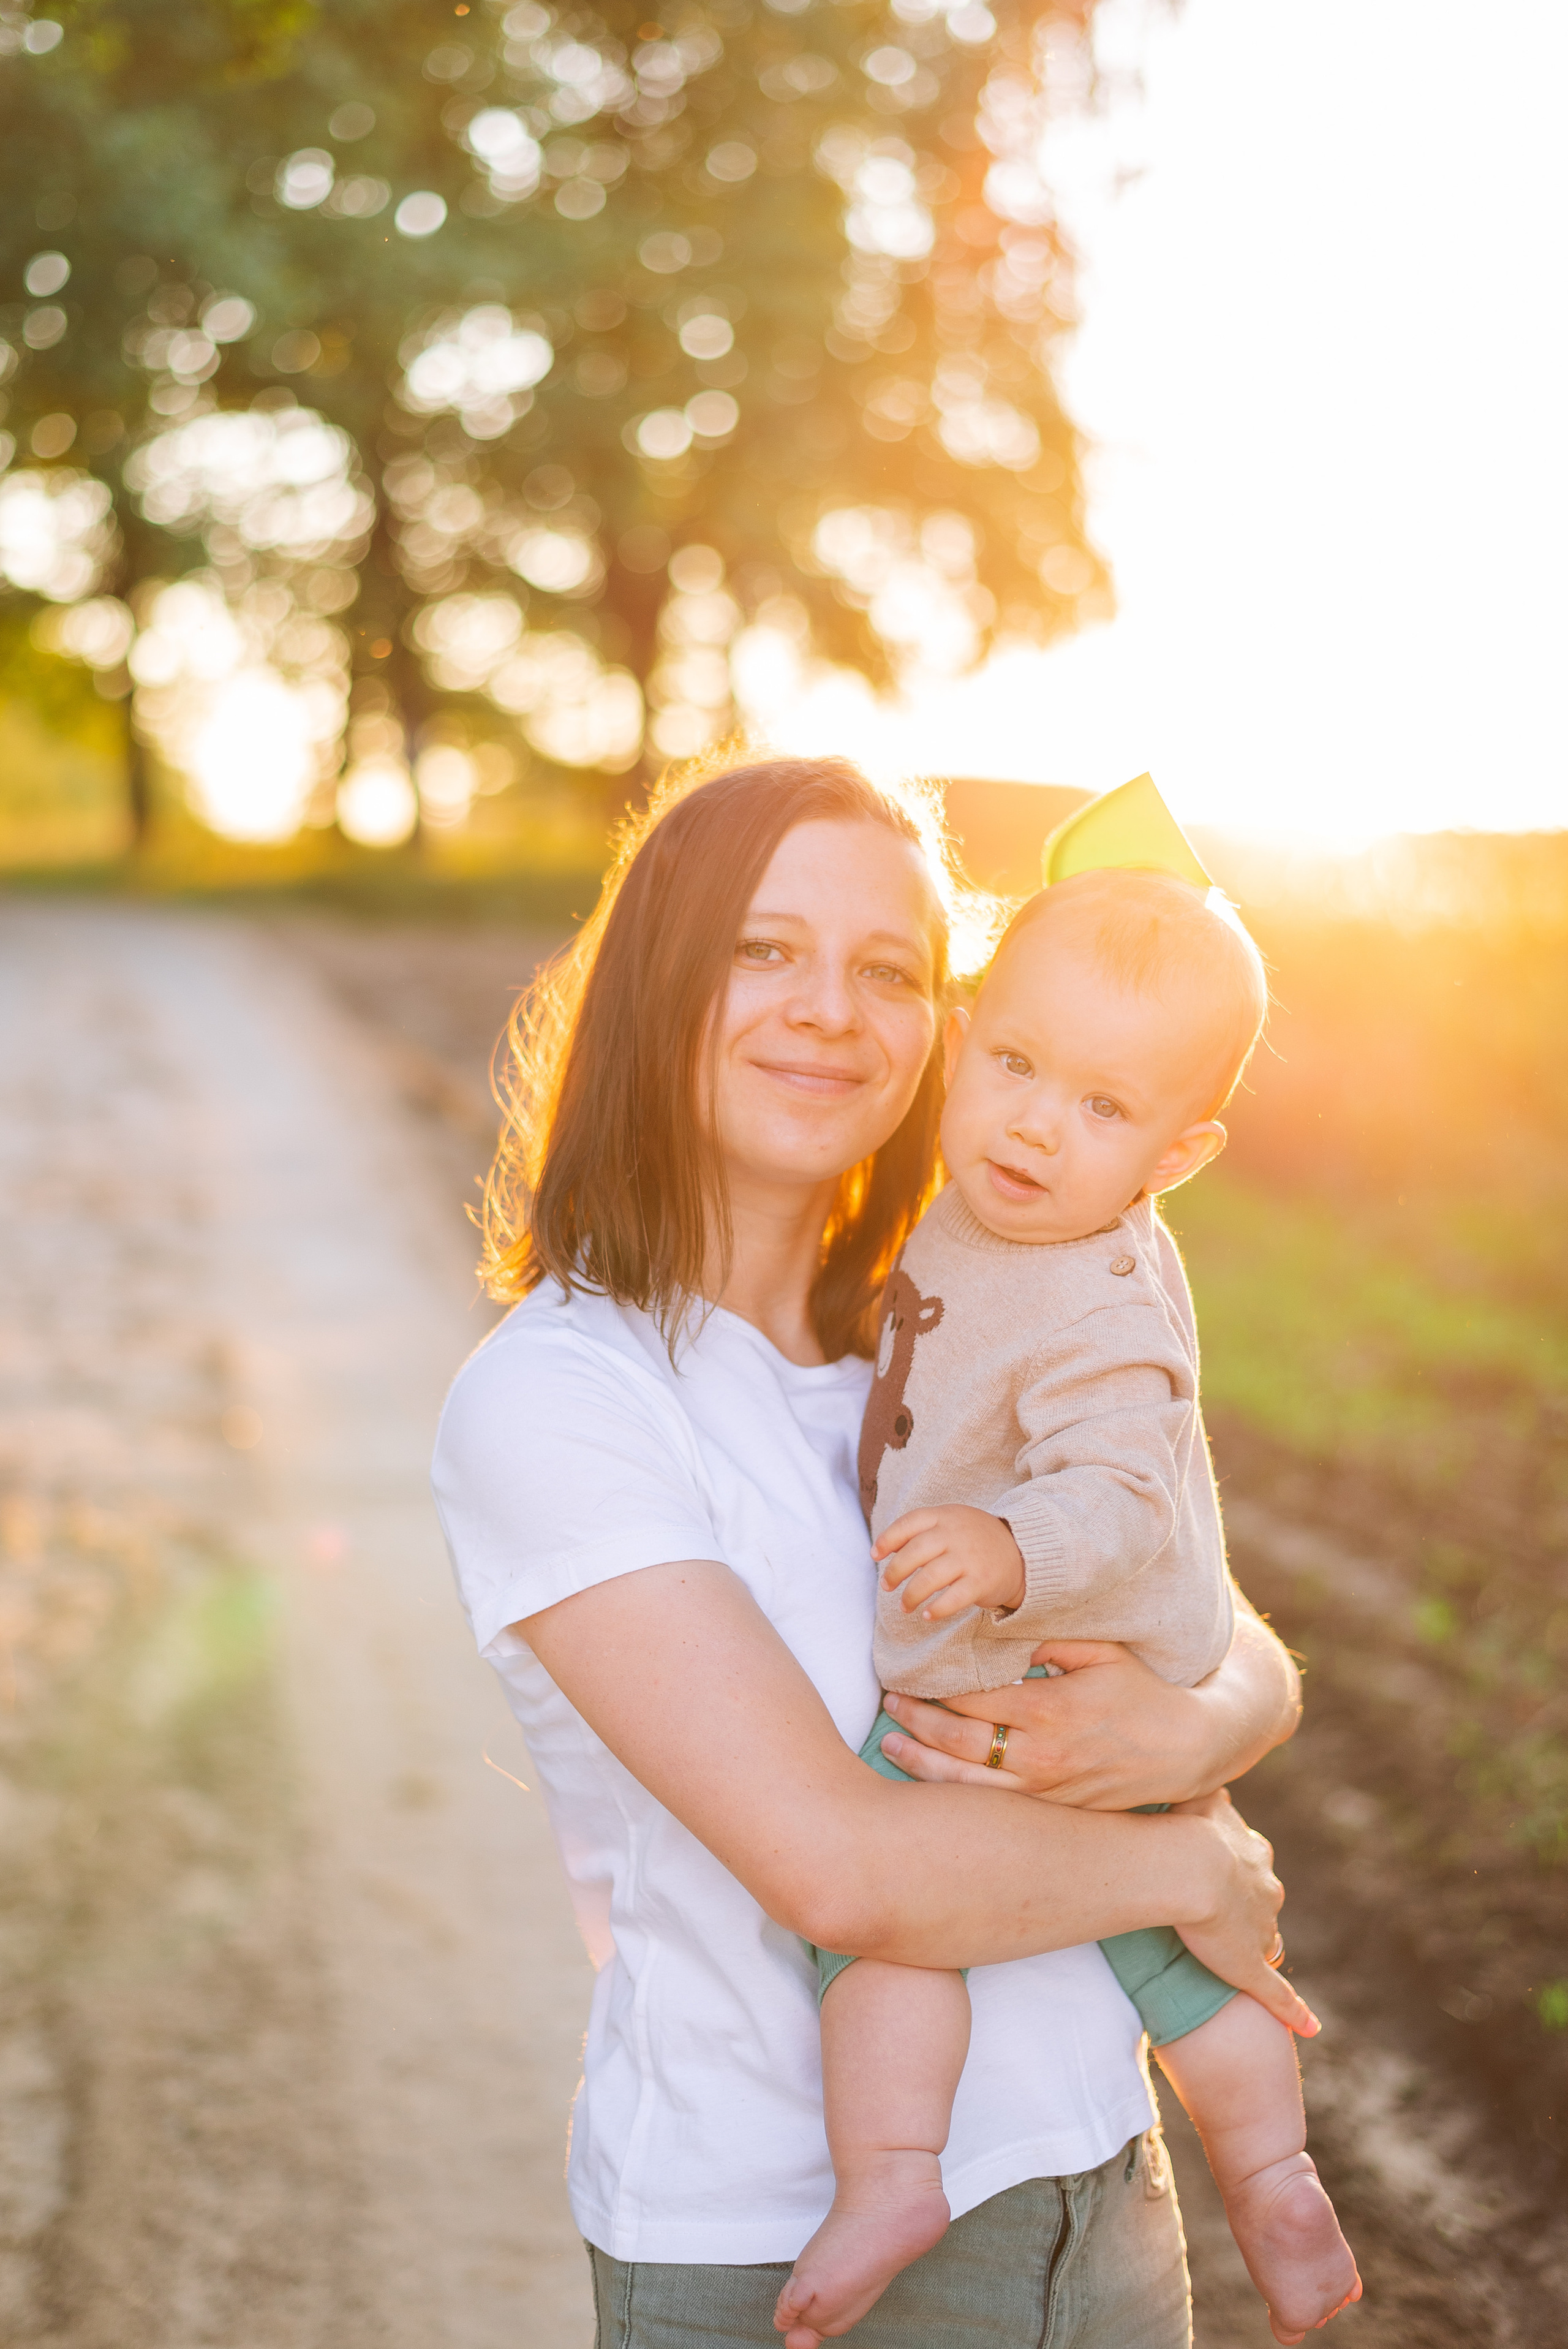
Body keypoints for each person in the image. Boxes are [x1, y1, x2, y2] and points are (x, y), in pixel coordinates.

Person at [431, 755, 1308, 2349]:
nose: (830, 1007)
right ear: (656, 982)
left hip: (1098, 2205)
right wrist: (1190, 1858)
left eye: (888, 968)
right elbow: (841, 1865)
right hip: (772, 2243)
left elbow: (1199, 1600)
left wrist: (1207, 1721)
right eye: (765, 949)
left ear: (941, 1024)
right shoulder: (563, 1395)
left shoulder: (951, 1324)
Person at [780, 860, 1360, 2349]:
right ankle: (1249, 2177)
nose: (1036, 1123)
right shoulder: (973, 1202)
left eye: (1101, 1108)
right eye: (1016, 1066)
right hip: (1031, 1668)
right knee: (1153, 1948)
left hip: (1037, 1661)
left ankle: (1240, 2173)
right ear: (965, 1040)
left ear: (1180, 1153)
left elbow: (1115, 1493)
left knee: (894, 1935)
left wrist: (998, 1544)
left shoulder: (1104, 1299)